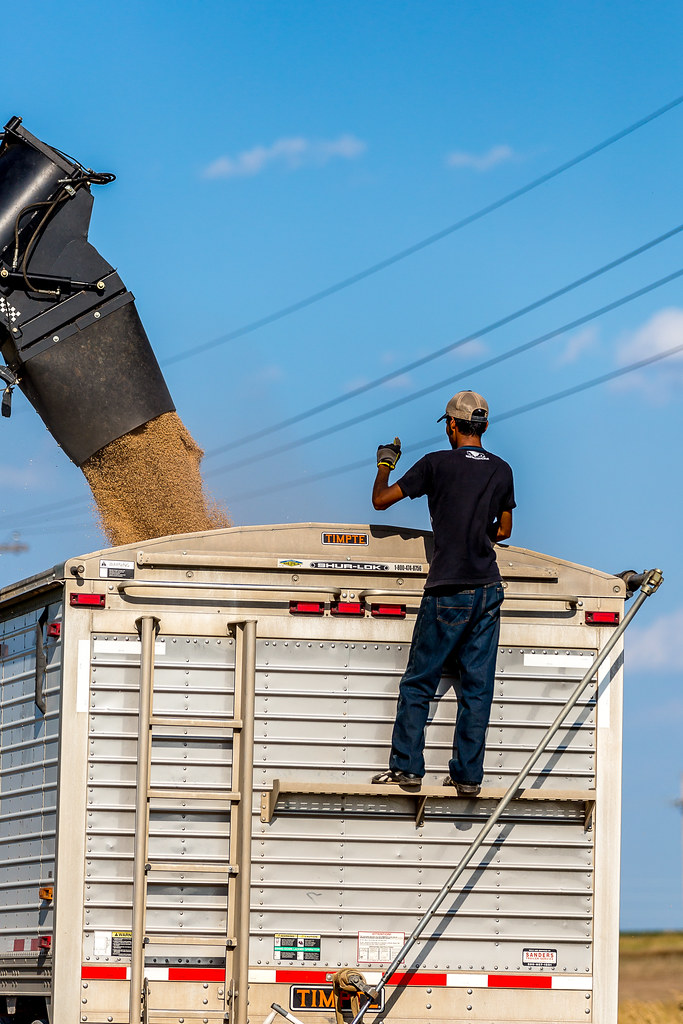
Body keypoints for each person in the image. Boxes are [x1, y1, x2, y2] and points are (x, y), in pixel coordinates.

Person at [370, 390, 515, 796]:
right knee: (477, 689)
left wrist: (385, 464)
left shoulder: (435, 464)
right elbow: (504, 530)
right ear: (484, 425)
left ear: (452, 425)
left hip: (447, 588)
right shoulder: (502, 470)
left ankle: (407, 769)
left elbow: (381, 501)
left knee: (419, 681)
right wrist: (477, 535)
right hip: (488, 589)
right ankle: (468, 777)